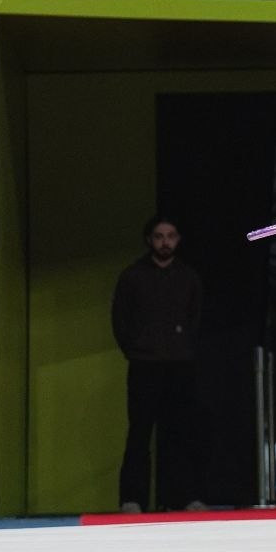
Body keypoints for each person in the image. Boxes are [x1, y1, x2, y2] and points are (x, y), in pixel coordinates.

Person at [111, 214, 208, 513]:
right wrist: (136, 350)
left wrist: (185, 348)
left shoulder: (188, 277)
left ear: (178, 240)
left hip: (179, 365)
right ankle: (132, 499)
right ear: (149, 240)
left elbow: (196, 319)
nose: (165, 242)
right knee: (140, 433)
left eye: (171, 236)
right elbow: (120, 320)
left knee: (180, 433)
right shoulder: (132, 277)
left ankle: (183, 497)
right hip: (144, 365)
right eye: (159, 236)